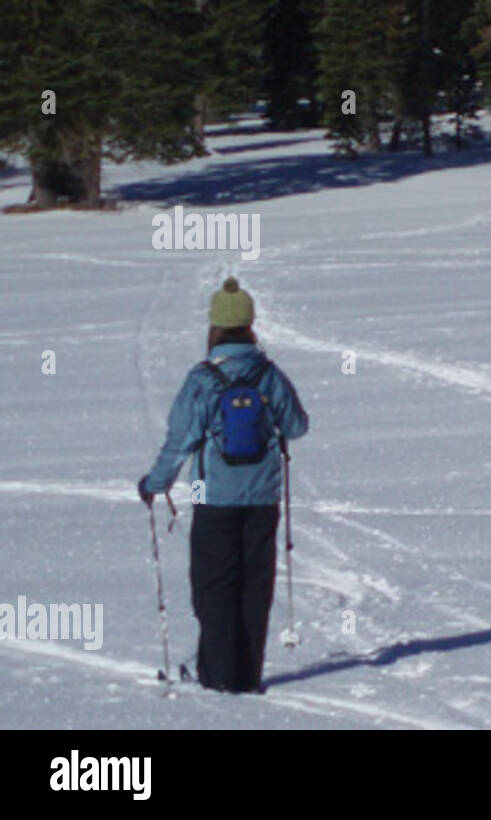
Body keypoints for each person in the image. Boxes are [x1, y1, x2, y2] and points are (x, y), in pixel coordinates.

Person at [138, 277, 308, 693]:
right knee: (255, 585)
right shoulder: (269, 375)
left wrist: (154, 483)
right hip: (264, 499)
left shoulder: (202, 379)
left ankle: (218, 677)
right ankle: (247, 676)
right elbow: (298, 426)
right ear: (250, 325)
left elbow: (180, 441)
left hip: (212, 498)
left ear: (214, 327)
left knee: (213, 587)